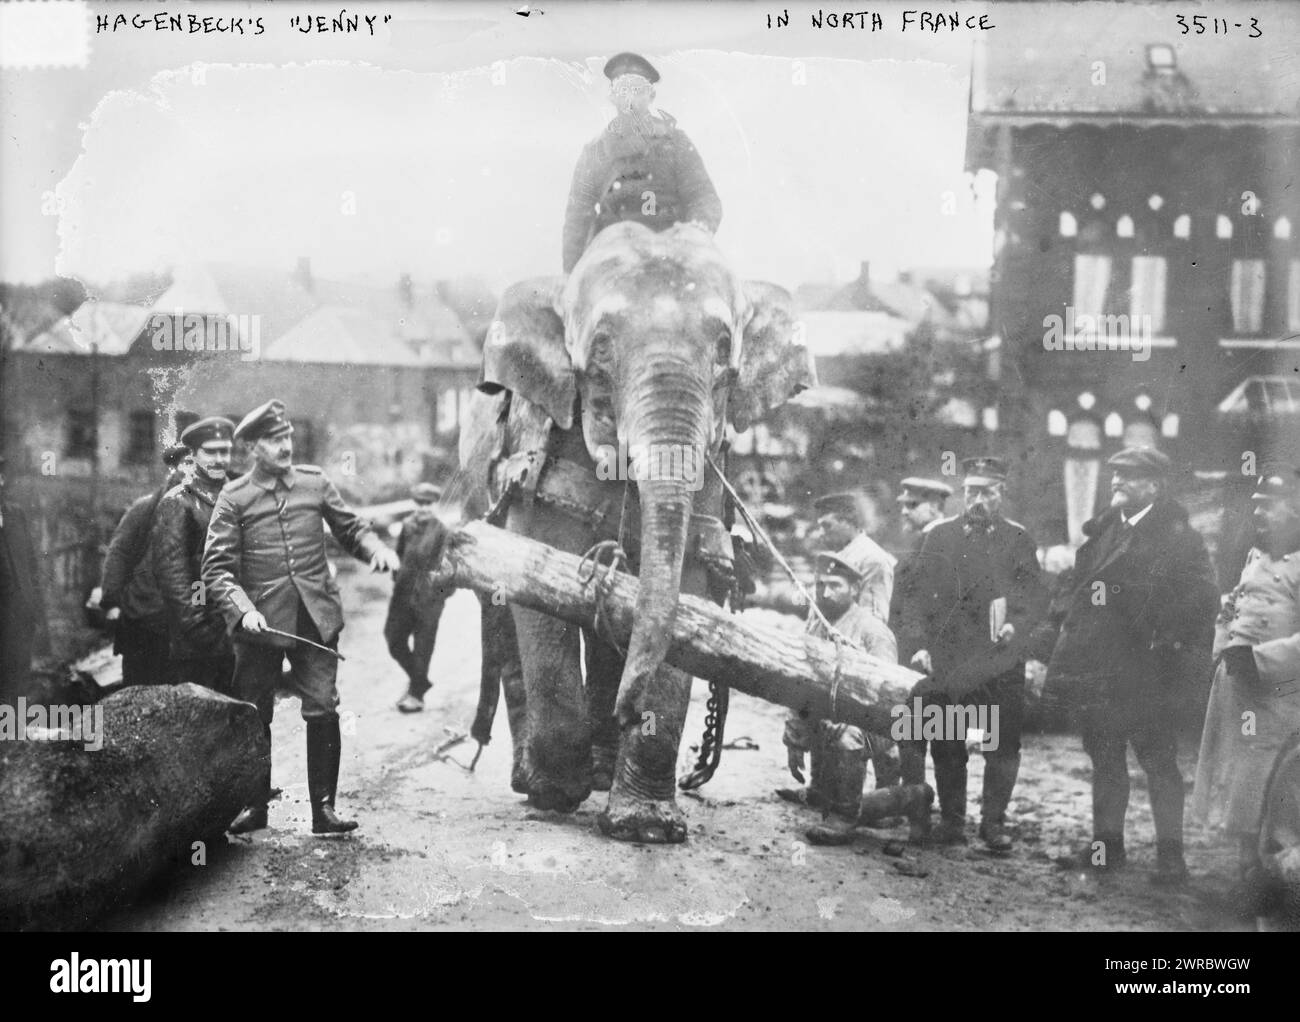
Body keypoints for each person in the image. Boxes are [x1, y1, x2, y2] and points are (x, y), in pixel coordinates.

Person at [203, 400, 399, 836]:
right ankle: (254, 806)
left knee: (323, 706)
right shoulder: (234, 498)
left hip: (315, 618)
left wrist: (375, 550)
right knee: (255, 714)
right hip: (262, 624)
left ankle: (323, 811)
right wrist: (243, 610)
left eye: (288, 436)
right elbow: (216, 570)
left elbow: (351, 528)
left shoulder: (315, 484)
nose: (286, 445)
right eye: (275, 440)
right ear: (253, 447)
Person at [1045, 447, 1216, 886]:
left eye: (1129, 476)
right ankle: (1106, 850)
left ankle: (1171, 858)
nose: (1116, 481)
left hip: (1147, 671)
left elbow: (1201, 597)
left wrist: (1160, 633)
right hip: (1099, 668)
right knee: (1104, 758)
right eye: (1115, 474)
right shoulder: (1104, 530)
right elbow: (1077, 587)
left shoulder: (1178, 537)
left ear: (1155, 486)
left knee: (1158, 762)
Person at [902, 457, 1046, 851]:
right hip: (951, 658)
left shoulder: (1018, 540)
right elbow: (913, 598)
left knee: (1001, 745)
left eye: (986, 492)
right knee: (948, 740)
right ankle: (952, 821)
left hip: (1000, 661)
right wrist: (918, 646)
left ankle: (993, 824)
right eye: (971, 492)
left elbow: (1034, 599)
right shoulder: (940, 537)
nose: (977, 500)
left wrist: (1018, 623)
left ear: (1001, 494)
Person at [1193, 467, 1300, 908]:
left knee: (1268, 784)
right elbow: (1230, 607)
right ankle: (1246, 871)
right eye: (1255, 506)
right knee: (1236, 780)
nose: (1258, 515)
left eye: (1268, 507)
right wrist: (1225, 650)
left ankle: (1269, 876)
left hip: (1278, 694)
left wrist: (1260, 661)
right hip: (1237, 688)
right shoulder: (1255, 556)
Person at [561, 51, 722, 273]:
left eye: (637, 89)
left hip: (673, 253)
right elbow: (578, 216)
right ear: (612, 96)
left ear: (651, 95)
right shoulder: (596, 151)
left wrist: (695, 231)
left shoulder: (675, 142)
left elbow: (703, 197)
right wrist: (571, 274)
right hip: (612, 259)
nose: (629, 98)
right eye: (622, 89)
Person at [779, 550, 900, 818]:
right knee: (817, 716)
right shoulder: (816, 627)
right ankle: (819, 790)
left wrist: (850, 716)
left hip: (878, 725)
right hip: (835, 717)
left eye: (835, 585)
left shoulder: (873, 631)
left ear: (856, 589)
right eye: (821, 585)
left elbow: (887, 695)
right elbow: (800, 685)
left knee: (845, 732)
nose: (825, 592)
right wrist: (794, 738)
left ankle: (844, 815)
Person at [94, 444, 192, 688]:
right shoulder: (145, 509)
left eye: (195, 465)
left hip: (181, 622)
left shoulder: (201, 513)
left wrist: (198, 605)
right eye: (185, 464)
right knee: (138, 690)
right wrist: (112, 601)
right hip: (142, 617)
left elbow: (202, 567)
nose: (189, 472)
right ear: (172, 469)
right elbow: (119, 553)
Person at [153, 416, 238, 694]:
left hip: (245, 631)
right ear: (194, 455)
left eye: (224, 451)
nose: (218, 459)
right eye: (210, 452)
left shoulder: (244, 496)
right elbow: (175, 574)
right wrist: (199, 627)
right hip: (201, 638)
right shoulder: (179, 502)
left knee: (252, 717)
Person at [388, 482, 454, 713]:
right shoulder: (406, 526)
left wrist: (438, 596)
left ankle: (416, 696)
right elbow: (398, 556)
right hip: (403, 594)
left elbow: (448, 568)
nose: (423, 508)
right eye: (419, 503)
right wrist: (397, 581)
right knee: (393, 639)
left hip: (429, 597)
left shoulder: (443, 531)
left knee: (423, 646)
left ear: (435, 505)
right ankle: (420, 681)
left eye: (428, 504)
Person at [0, 454, 49, 706]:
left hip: (19, 616)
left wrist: (35, 609)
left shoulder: (15, 515)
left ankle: (12, 734)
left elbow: (31, 565)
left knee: (18, 676)